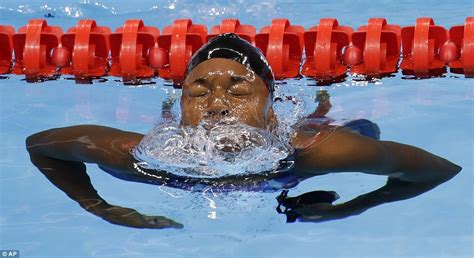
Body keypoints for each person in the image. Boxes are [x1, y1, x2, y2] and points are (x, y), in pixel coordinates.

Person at [26, 33, 461, 229]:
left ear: (271, 113)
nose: (217, 104)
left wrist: (357, 207)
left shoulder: (318, 152)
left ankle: (323, 101)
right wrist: (98, 207)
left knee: (360, 127)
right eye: (199, 92)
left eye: (238, 89)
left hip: (293, 151)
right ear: (182, 112)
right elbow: (41, 146)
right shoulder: (137, 154)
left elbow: (438, 170)